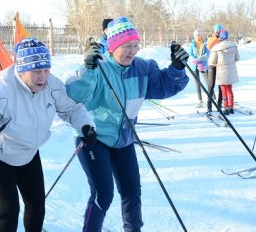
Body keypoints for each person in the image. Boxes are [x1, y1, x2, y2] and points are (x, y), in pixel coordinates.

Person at [0, 37, 96, 232]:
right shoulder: (2, 89)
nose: (43, 77)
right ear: (22, 69)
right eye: (36, 71)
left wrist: (85, 125)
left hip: (29, 153)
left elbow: (71, 109)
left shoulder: (51, 85)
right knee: (9, 209)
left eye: (46, 69)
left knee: (37, 204)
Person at [65, 16, 189, 232]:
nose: (132, 51)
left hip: (124, 139)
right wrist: (87, 68)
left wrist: (177, 68)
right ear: (112, 47)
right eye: (126, 46)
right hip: (94, 138)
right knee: (103, 193)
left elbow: (163, 87)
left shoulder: (143, 68)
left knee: (132, 191)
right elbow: (76, 94)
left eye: (135, 46)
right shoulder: (99, 67)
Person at [208, 30, 239, 115]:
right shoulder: (233, 46)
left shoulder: (217, 48)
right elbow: (237, 58)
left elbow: (213, 61)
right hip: (231, 71)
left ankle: (225, 108)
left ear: (220, 38)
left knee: (223, 89)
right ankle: (231, 107)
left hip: (221, 72)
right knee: (229, 89)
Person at [187, 29, 209, 108]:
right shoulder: (192, 43)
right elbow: (190, 54)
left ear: (201, 34)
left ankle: (213, 98)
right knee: (197, 82)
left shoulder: (205, 42)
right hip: (194, 65)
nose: (198, 36)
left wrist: (200, 61)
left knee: (208, 82)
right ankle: (200, 101)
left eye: (199, 34)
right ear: (194, 36)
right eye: (196, 35)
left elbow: (207, 54)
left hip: (202, 65)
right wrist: (195, 60)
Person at [206, 23, 223, 115]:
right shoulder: (211, 38)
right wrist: (216, 37)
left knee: (220, 84)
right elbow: (209, 46)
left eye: (220, 30)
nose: (218, 32)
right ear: (214, 30)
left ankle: (219, 104)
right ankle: (209, 106)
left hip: (221, 64)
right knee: (211, 84)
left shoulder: (223, 38)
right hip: (212, 64)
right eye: (217, 30)